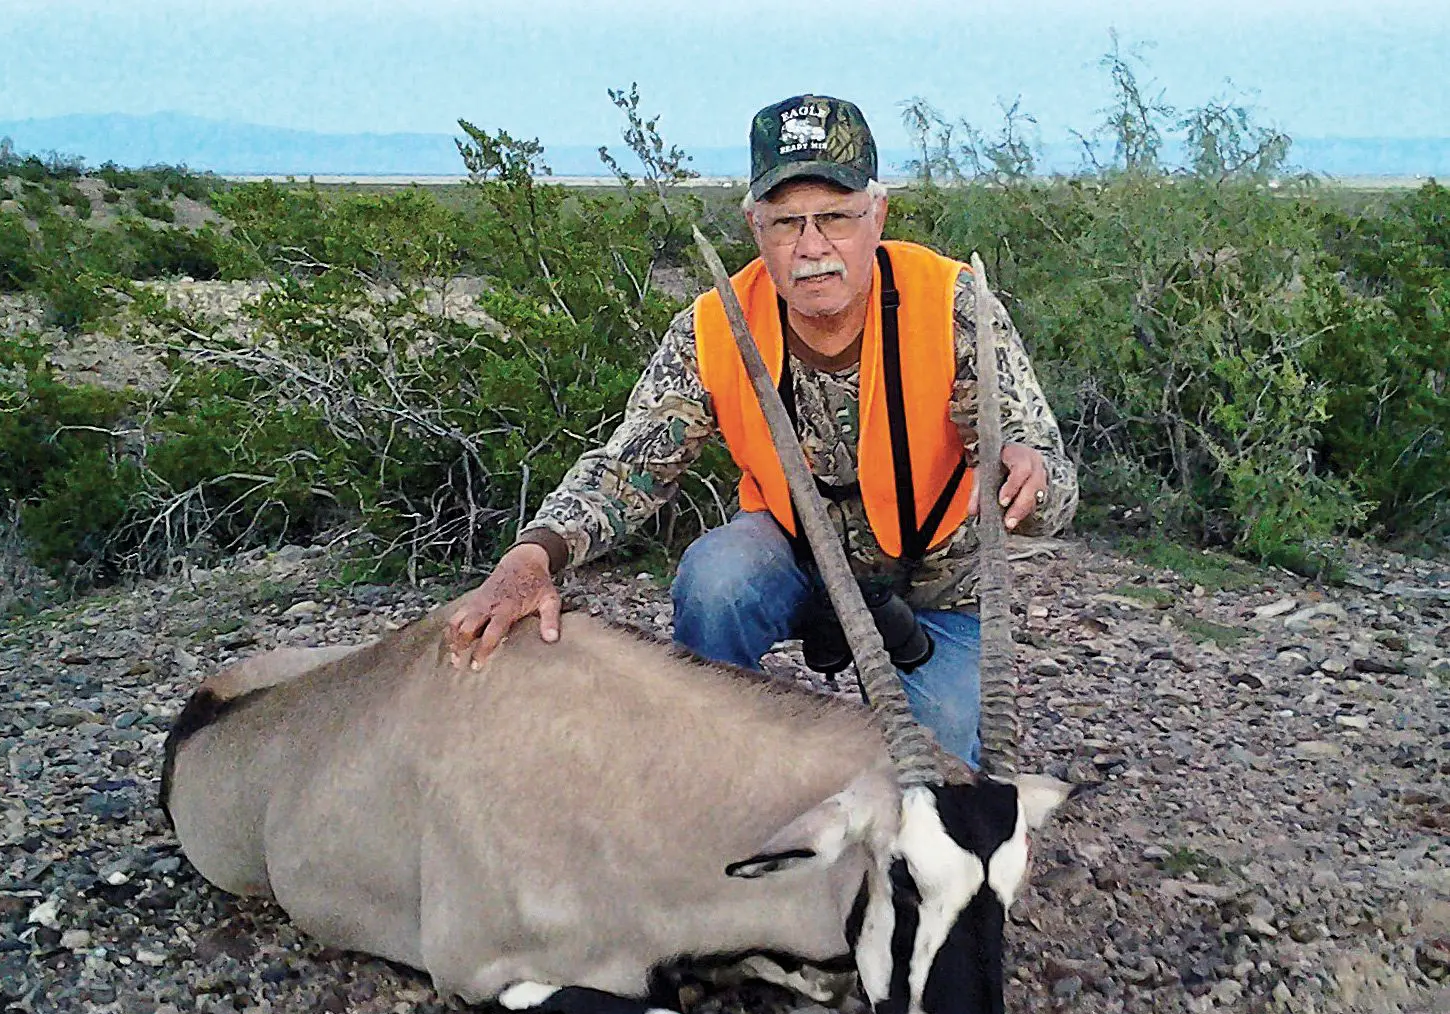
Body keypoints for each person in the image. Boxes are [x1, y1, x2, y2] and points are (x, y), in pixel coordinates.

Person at [446, 94, 1077, 767]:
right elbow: (631, 466)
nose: (812, 247)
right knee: (716, 580)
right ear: (755, 226)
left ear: (877, 214)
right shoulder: (715, 324)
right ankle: (714, 773)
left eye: (835, 217)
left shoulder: (954, 305)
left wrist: (1029, 480)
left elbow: (1049, 484)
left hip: (938, 588)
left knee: (944, 771)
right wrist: (532, 556)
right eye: (786, 223)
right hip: (795, 560)